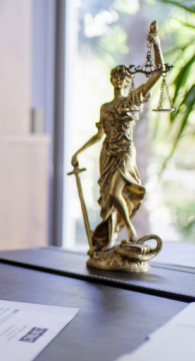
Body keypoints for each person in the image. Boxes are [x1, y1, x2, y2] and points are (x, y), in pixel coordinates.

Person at [71, 22, 164, 255]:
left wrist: (156, 43)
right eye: (116, 76)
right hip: (107, 153)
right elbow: (99, 134)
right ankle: (108, 243)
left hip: (124, 152)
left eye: (123, 77)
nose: (119, 80)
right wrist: (78, 153)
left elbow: (158, 71)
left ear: (128, 81)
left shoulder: (132, 101)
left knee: (115, 193)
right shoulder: (105, 107)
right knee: (107, 202)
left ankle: (131, 232)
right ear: (112, 79)